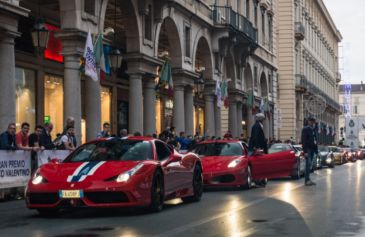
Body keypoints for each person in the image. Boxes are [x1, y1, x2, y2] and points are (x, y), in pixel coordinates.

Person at [301, 117, 317, 186]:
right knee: (308, 164)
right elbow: (303, 141)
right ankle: (306, 180)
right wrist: (305, 151)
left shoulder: (313, 130)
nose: (312, 123)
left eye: (313, 122)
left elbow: (315, 140)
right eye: (311, 122)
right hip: (308, 148)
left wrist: (316, 150)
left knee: (310, 164)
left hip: (312, 149)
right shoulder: (305, 129)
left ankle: (308, 179)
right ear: (309, 122)